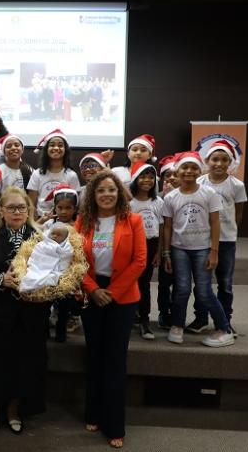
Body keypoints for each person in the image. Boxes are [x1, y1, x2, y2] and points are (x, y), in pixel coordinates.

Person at [74, 170, 146, 449]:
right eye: (101, 190)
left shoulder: (134, 221)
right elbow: (76, 259)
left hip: (123, 296)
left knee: (115, 360)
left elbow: (139, 262)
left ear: (119, 193)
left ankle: (114, 424)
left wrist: (112, 293)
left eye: (111, 190)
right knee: (95, 355)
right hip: (92, 294)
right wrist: (93, 289)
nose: (106, 194)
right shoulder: (83, 222)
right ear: (93, 195)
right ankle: (92, 413)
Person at [0, 187, 46, 441]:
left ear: (29, 211)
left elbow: (50, 270)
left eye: (21, 207)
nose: (17, 212)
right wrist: (1, 280)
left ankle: (14, 409)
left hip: (29, 311)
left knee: (22, 360)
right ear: (1, 211)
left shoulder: (39, 237)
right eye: (11, 207)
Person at [162, 152, 235, 348]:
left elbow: (215, 222)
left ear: (200, 170)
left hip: (203, 249)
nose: (189, 171)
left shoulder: (209, 194)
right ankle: (177, 325)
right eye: (184, 167)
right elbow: (167, 227)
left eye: (193, 167)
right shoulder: (170, 197)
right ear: (177, 171)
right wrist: (166, 253)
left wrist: (214, 251)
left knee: (204, 291)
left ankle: (224, 328)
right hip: (179, 250)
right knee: (181, 289)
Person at [191, 140, 247, 336]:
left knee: (225, 283)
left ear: (230, 162)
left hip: (226, 241)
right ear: (207, 160)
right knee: (202, 283)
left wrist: (228, 230)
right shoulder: (199, 183)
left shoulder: (237, 185)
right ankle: (200, 318)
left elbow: (238, 213)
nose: (219, 164)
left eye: (224, 160)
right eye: (215, 159)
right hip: (203, 240)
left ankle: (225, 320)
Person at [38, 184, 81, 341]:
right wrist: (41, 220)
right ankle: (44, 330)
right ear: (54, 208)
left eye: (68, 208)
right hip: (48, 269)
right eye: (60, 207)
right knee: (45, 302)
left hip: (67, 272)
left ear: (75, 209)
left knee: (64, 303)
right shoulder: (48, 225)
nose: (63, 211)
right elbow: (37, 237)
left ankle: (61, 331)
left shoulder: (77, 226)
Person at [129, 163, 164, 340]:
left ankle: (144, 321)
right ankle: (129, 318)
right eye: (143, 177)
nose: (147, 181)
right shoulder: (129, 203)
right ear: (135, 179)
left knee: (144, 284)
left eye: (151, 177)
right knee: (129, 282)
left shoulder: (158, 202)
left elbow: (161, 228)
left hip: (150, 246)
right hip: (132, 247)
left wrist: (159, 252)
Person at [27, 129, 81, 217]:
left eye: (60, 145)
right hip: (41, 220)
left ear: (65, 150)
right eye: (52, 145)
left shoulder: (72, 175)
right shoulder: (37, 174)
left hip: (64, 220)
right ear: (46, 150)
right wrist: (36, 224)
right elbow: (31, 204)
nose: (56, 148)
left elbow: (76, 204)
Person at [156, 154, 179, 329]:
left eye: (175, 174)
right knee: (164, 283)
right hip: (164, 246)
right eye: (167, 175)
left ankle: (177, 314)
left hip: (182, 246)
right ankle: (164, 313)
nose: (171, 178)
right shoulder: (157, 197)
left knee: (181, 284)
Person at [18, 223, 73, 293]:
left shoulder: (66, 249)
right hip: (38, 267)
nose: (55, 236)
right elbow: (36, 255)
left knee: (52, 278)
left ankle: (42, 289)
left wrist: (59, 270)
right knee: (30, 277)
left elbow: (65, 263)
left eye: (59, 235)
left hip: (53, 270)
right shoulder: (42, 244)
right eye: (53, 233)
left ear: (65, 238)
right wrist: (32, 264)